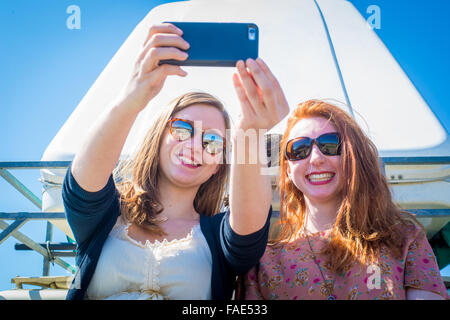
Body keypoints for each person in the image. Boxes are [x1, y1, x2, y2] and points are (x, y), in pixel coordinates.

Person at [62, 23, 289, 300]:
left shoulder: (217, 235)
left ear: (218, 164)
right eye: (182, 129)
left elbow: (249, 230)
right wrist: (133, 96)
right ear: (159, 138)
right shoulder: (107, 216)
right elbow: (81, 184)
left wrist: (251, 131)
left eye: (212, 141)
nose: (194, 146)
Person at [244, 100, 448, 300]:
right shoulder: (265, 264)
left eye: (331, 144)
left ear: (354, 156)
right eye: (299, 149)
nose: (315, 158)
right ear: (288, 170)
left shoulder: (405, 241)